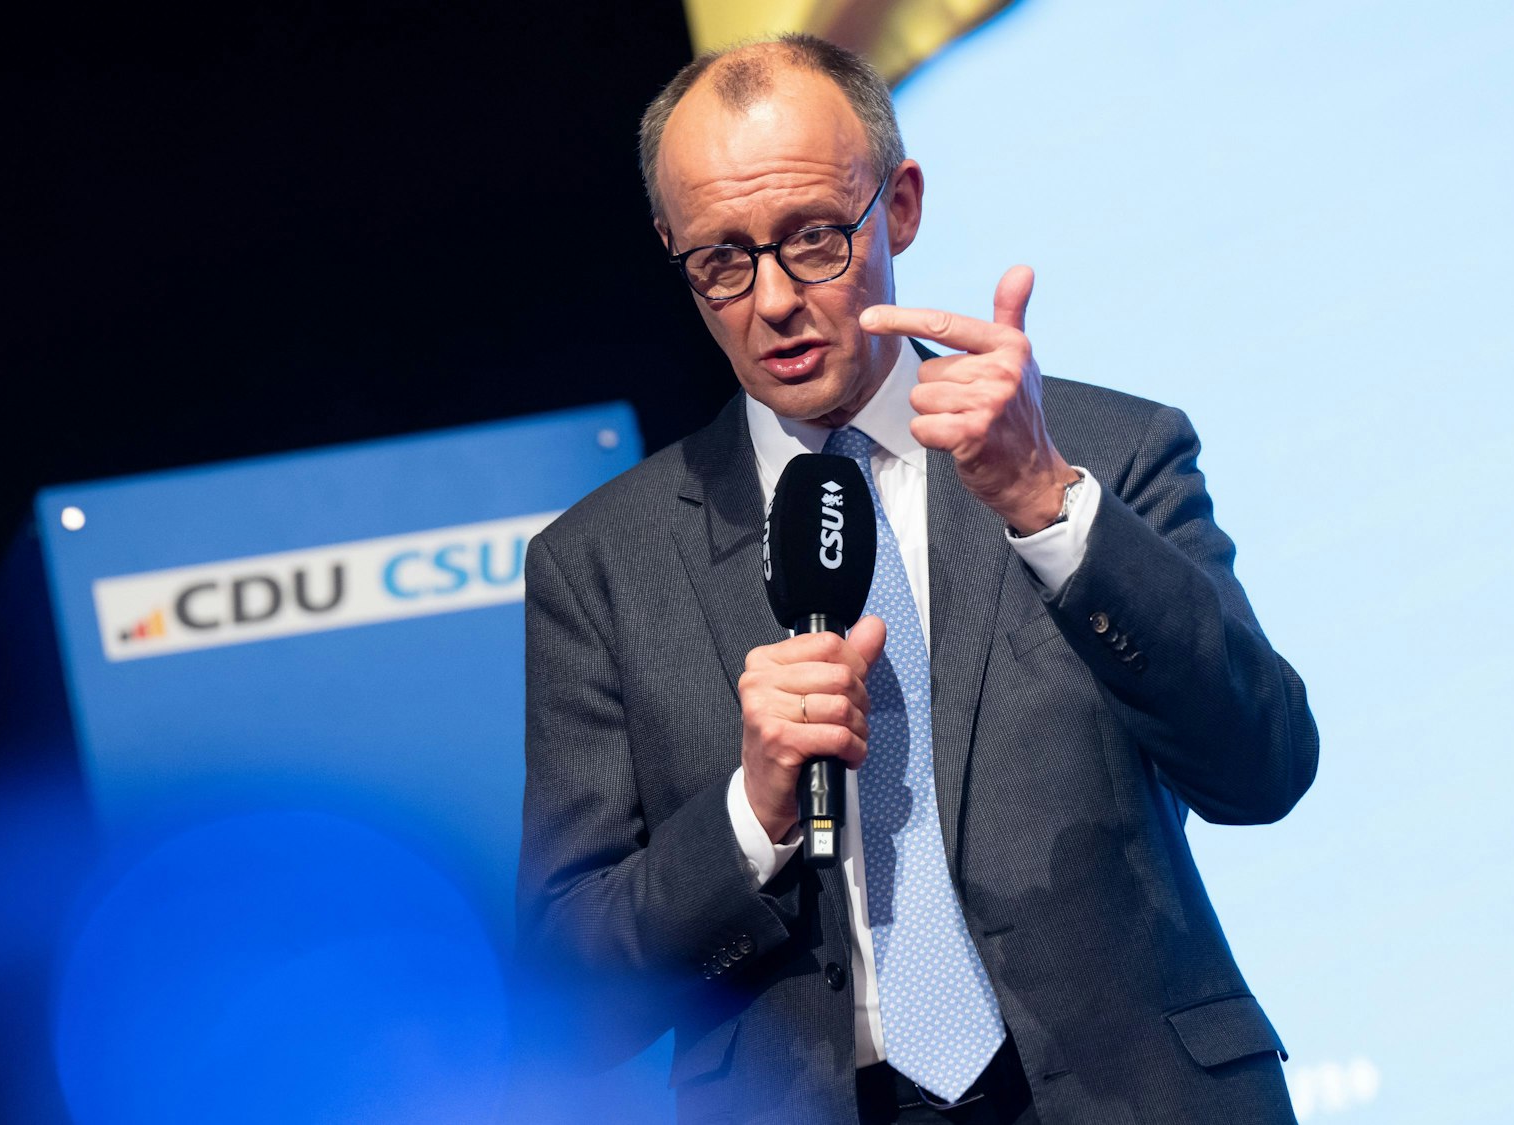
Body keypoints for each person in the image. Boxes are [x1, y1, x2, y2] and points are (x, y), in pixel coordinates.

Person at [517, 33, 1317, 1125]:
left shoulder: (1102, 451)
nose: (771, 302)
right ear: (672, 250)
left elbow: (1259, 768)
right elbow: (566, 996)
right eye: (720, 259)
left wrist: (1046, 506)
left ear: (896, 207)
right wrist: (750, 816)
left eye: (811, 240)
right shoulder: (600, 566)